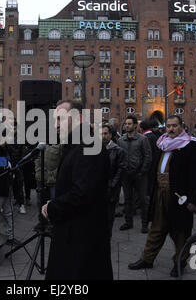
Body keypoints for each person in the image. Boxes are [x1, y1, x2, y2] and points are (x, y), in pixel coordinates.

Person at [42, 100, 112, 280]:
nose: (56, 125)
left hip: (81, 236)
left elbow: (82, 194)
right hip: (73, 231)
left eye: (60, 119)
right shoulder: (76, 144)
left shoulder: (88, 146)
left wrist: (52, 207)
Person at [128, 115, 196, 277]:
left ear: (182, 126)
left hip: (178, 196)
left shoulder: (190, 146)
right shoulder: (163, 143)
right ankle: (147, 258)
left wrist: (192, 199)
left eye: (175, 126)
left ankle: (180, 262)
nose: (171, 129)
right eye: (168, 126)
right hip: (160, 193)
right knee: (156, 227)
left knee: (180, 232)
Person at [117, 115, 152, 233]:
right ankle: (128, 222)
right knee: (128, 199)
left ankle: (144, 224)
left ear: (135, 125)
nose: (127, 126)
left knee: (143, 199)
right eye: (126, 124)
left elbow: (148, 156)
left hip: (140, 174)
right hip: (126, 174)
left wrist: (142, 171)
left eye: (129, 124)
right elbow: (119, 157)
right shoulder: (121, 140)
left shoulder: (142, 139)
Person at [101, 124, 125, 238]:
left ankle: (107, 236)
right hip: (99, 187)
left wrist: (113, 184)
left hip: (111, 187)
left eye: (105, 133)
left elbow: (120, 170)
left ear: (110, 135)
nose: (103, 136)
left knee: (109, 214)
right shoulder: (97, 149)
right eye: (101, 134)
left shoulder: (118, 150)